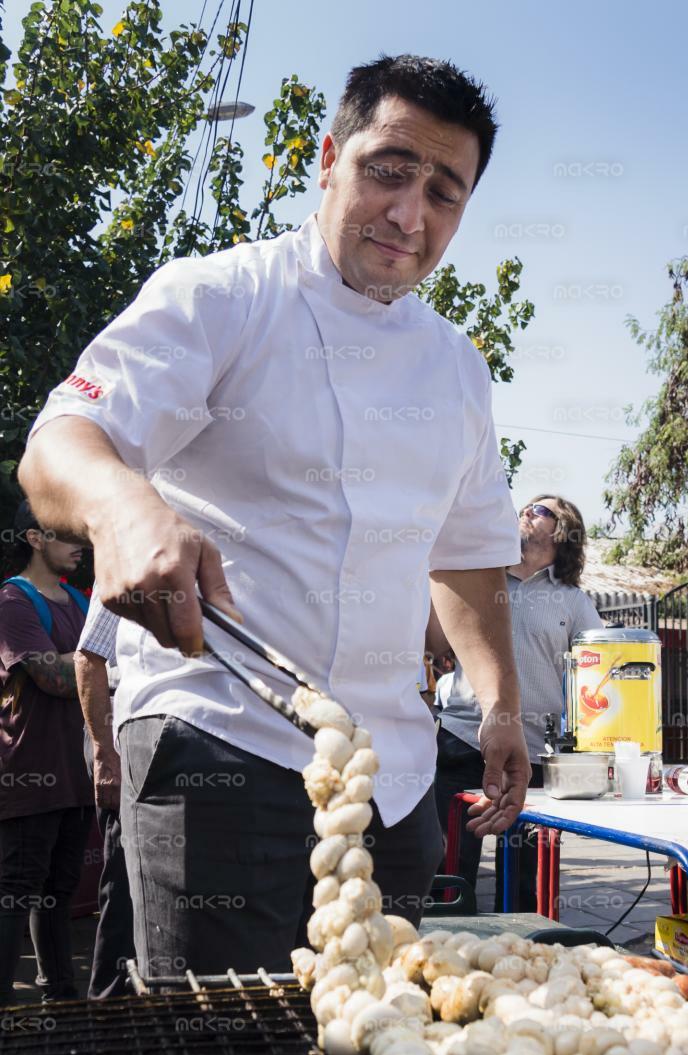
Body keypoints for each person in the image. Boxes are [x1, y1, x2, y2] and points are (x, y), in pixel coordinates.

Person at [19, 54, 531, 976]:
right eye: (388, 170)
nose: (409, 215)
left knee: (376, 1050)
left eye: (444, 193)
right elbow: (62, 441)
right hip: (218, 740)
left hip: (394, 776)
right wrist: (129, 509)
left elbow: (464, 562)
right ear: (329, 157)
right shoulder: (221, 297)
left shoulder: (458, 368)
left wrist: (499, 707)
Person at [430, 495, 602, 901]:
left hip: (531, 752)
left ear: (564, 532)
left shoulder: (574, 601)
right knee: (448, 876)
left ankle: (522, 955)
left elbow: (599, 666)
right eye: (526, 506)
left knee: (526, 882)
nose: (526, 511)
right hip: (461, 738)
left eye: (541, 511)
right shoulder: (478, 580)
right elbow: (434, 642)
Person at [0, 501, 91, 1003]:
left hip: (78, 773)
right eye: (67, 534)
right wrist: (94, 667)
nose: (80, 544)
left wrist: (80, 665)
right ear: (35, 538)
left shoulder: (79, 601)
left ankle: (62, 1000)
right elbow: (51, 678)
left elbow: (77, 667)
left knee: (59, 892)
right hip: (29, 772)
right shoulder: (13, 601)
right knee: (16, 891)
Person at [74, 592, 135, 998]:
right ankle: (109, 1008)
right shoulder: (127, 557)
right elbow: (88, 658)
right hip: (119, 741)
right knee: (122, 879)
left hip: (155, 745)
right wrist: (104, 755)